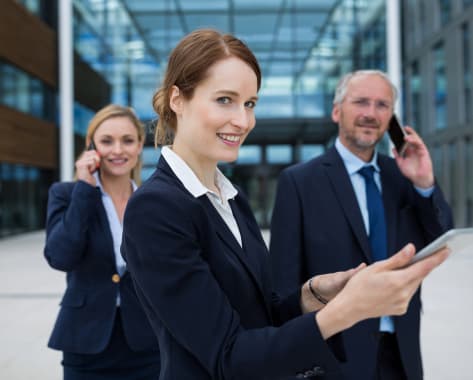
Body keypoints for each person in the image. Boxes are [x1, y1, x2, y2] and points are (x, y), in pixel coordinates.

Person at [121, 30, 449, 380]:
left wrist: (314, 294)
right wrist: (348, 311)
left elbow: (261, 315)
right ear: (177, 100)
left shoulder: (230, 198)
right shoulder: (155, 209)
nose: (243, 121)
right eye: (224, 100)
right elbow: (228, 357)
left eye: (249, 104)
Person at [270, 70, 453, 380]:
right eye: (361, 102)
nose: (371, 113)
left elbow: (440, 237)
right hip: (334, 355)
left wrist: (424, 183)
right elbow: (283, 286)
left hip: (401, 352)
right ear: (337, 111)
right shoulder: (299, 182)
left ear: (391, 118)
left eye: (382, 105)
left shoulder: (403, 176)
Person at [44, 104, 160, 379]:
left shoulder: (153, 201)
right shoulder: (66, 194)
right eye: (107, 141)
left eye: (128, 140)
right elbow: (61, 257)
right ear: (91, 146)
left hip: (146, 341)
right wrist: (85, 188)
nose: (118, 150)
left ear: (140, 145)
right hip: (86, 341)